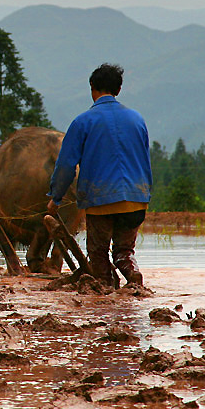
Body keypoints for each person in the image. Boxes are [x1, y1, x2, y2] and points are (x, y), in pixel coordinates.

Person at [46, 63, 152, 286]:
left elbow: (65, 165)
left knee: (99, 252)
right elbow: (144, 160)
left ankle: (104, 295)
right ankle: (133, 277)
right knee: (124, 251)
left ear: (92, 87)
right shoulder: (137, 120)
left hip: (101, 201)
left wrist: (56, 198)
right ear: (118, 90)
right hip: (136, 199)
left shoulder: (82, 122)